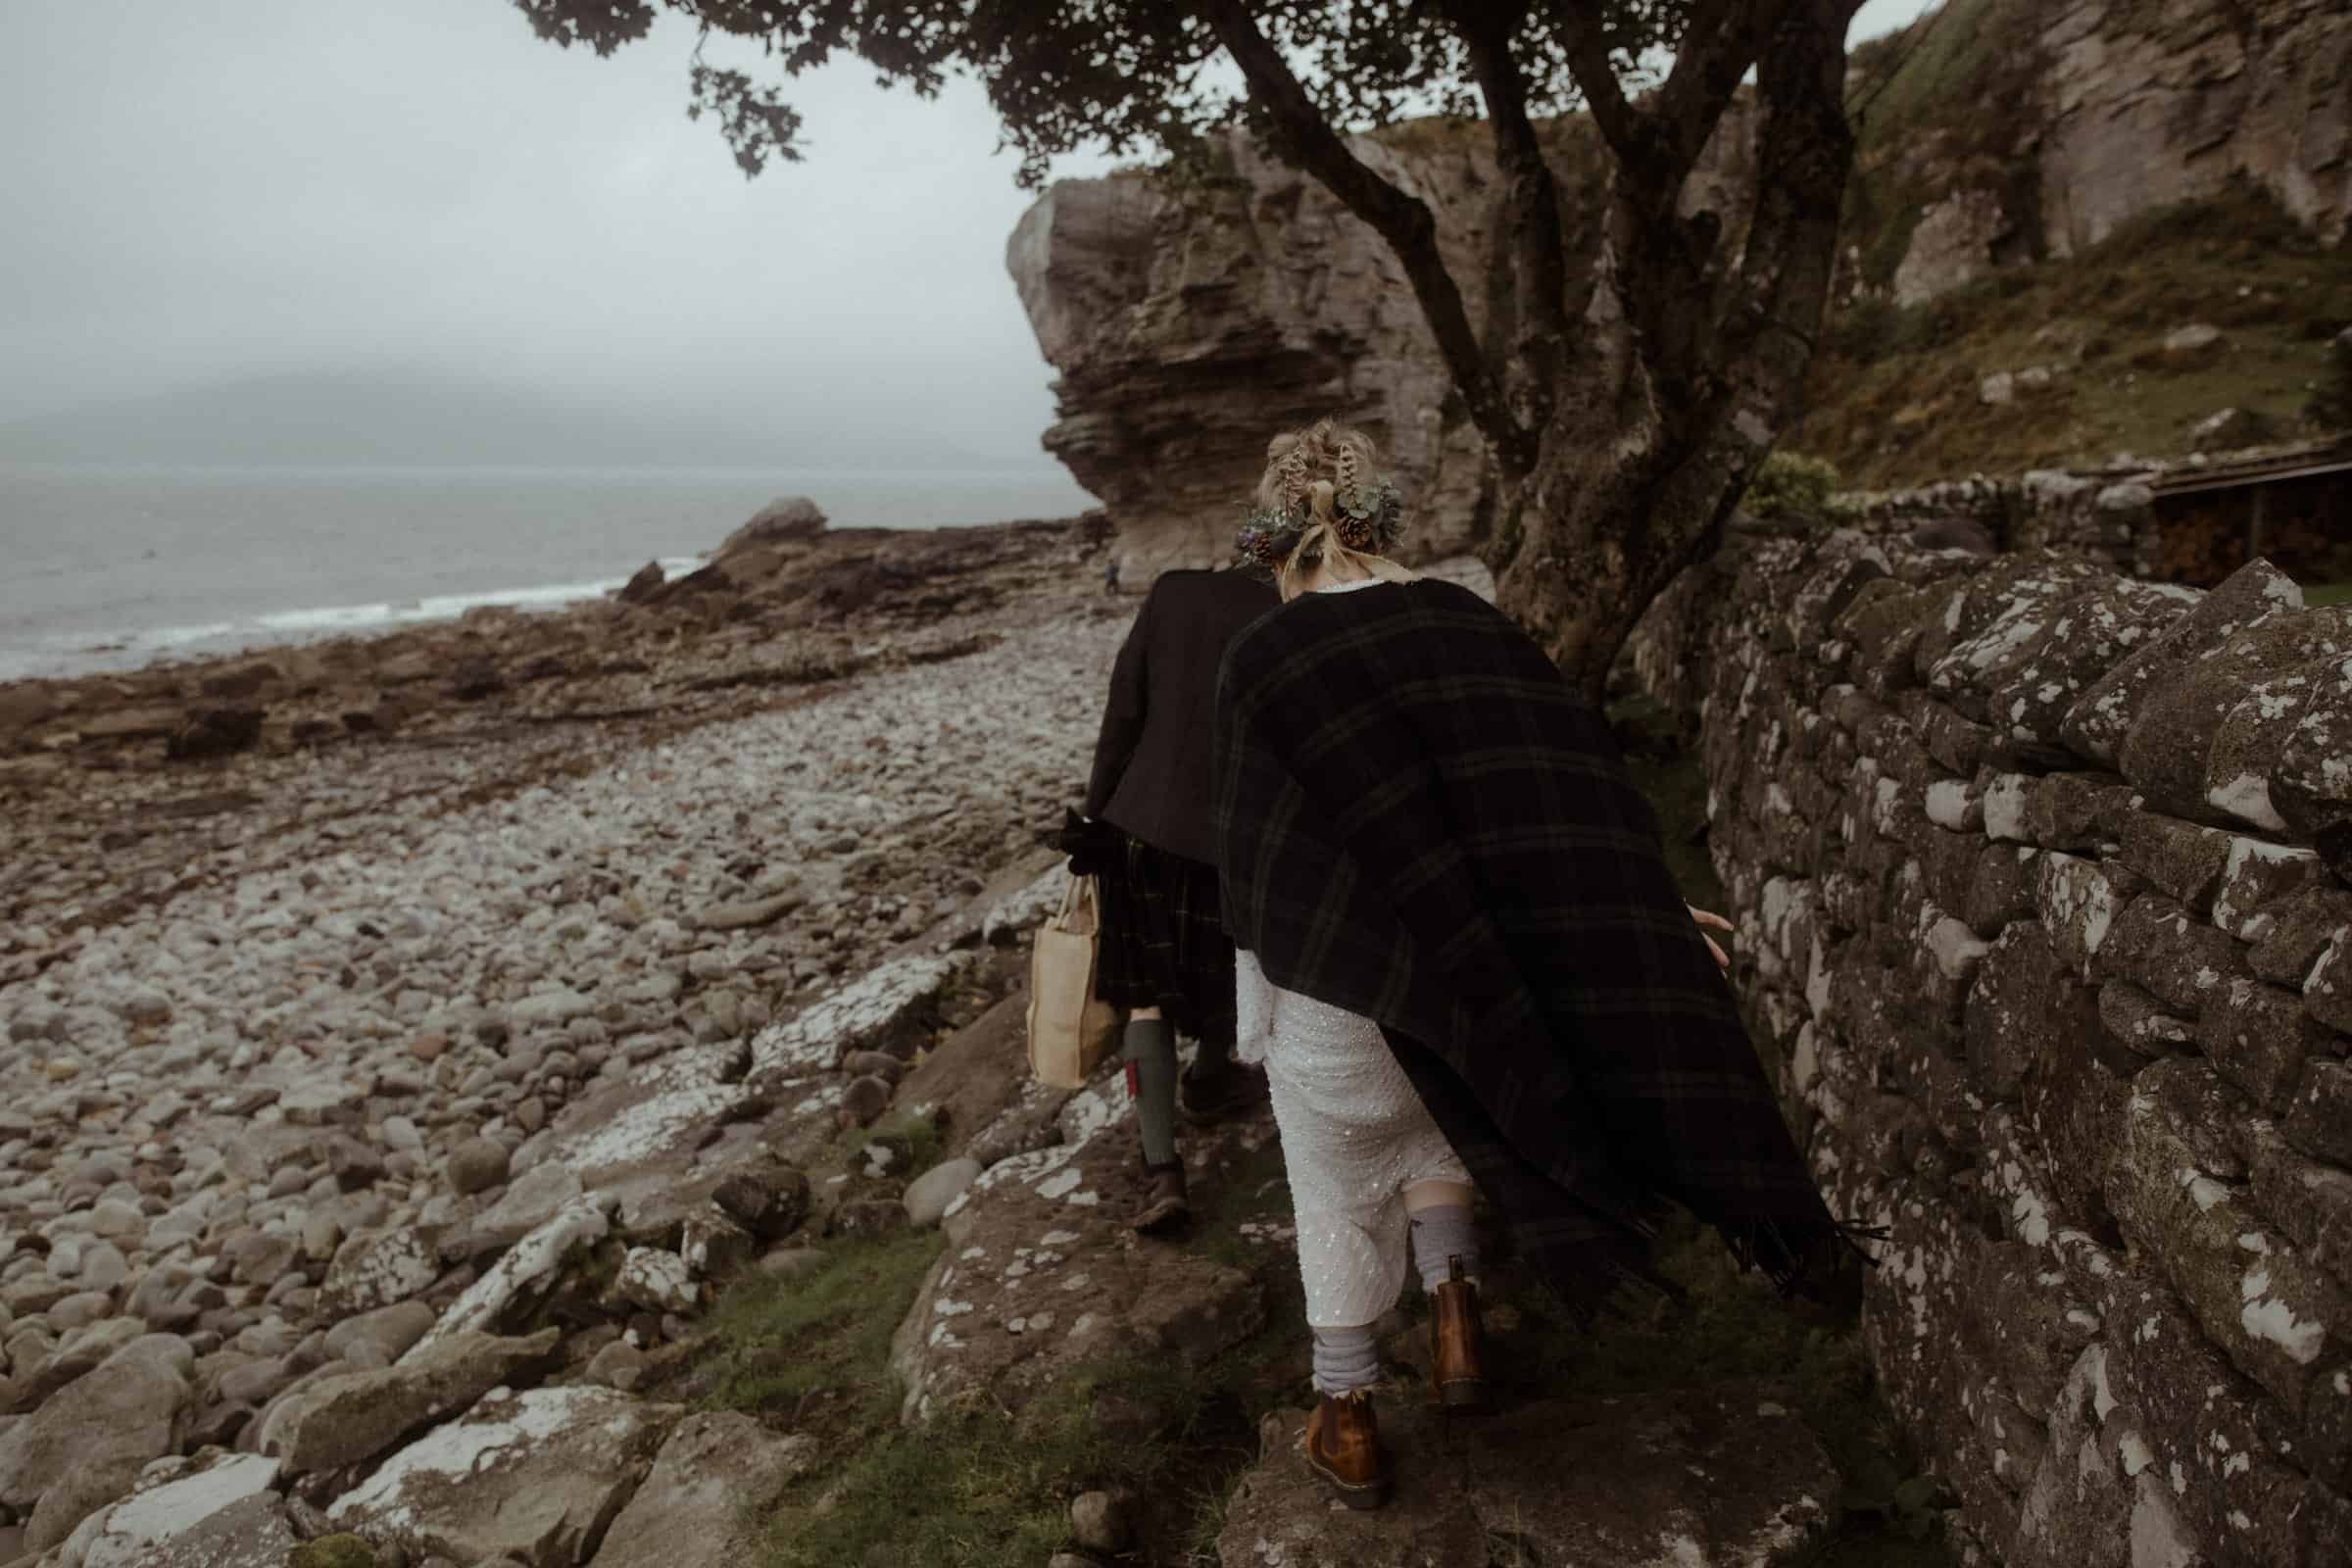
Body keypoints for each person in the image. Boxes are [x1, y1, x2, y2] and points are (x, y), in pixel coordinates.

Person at [1215, 419, 1857, 1510]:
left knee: (1333, 1183)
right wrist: (1644, 915)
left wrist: (1250, 1022)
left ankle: (1349, 1415)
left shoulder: (1262, 658)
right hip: (1472, 980)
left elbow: (1254, 863)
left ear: (1275, 540)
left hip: (1336, 990)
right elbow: (1564, 796)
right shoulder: (1468, 623)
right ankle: (1458, 1325)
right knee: (1444, 1110)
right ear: (1380, 516)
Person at [1080, 556, 1280, 1232]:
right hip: (1231, 839)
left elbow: (1125, 704)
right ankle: (1211, 1076)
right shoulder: (1286, 612)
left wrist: (1095, 811)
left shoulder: (1173, 592)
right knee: (1223, 963)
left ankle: (1163, 1171)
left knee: (1146, 994)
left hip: (1141, 825)